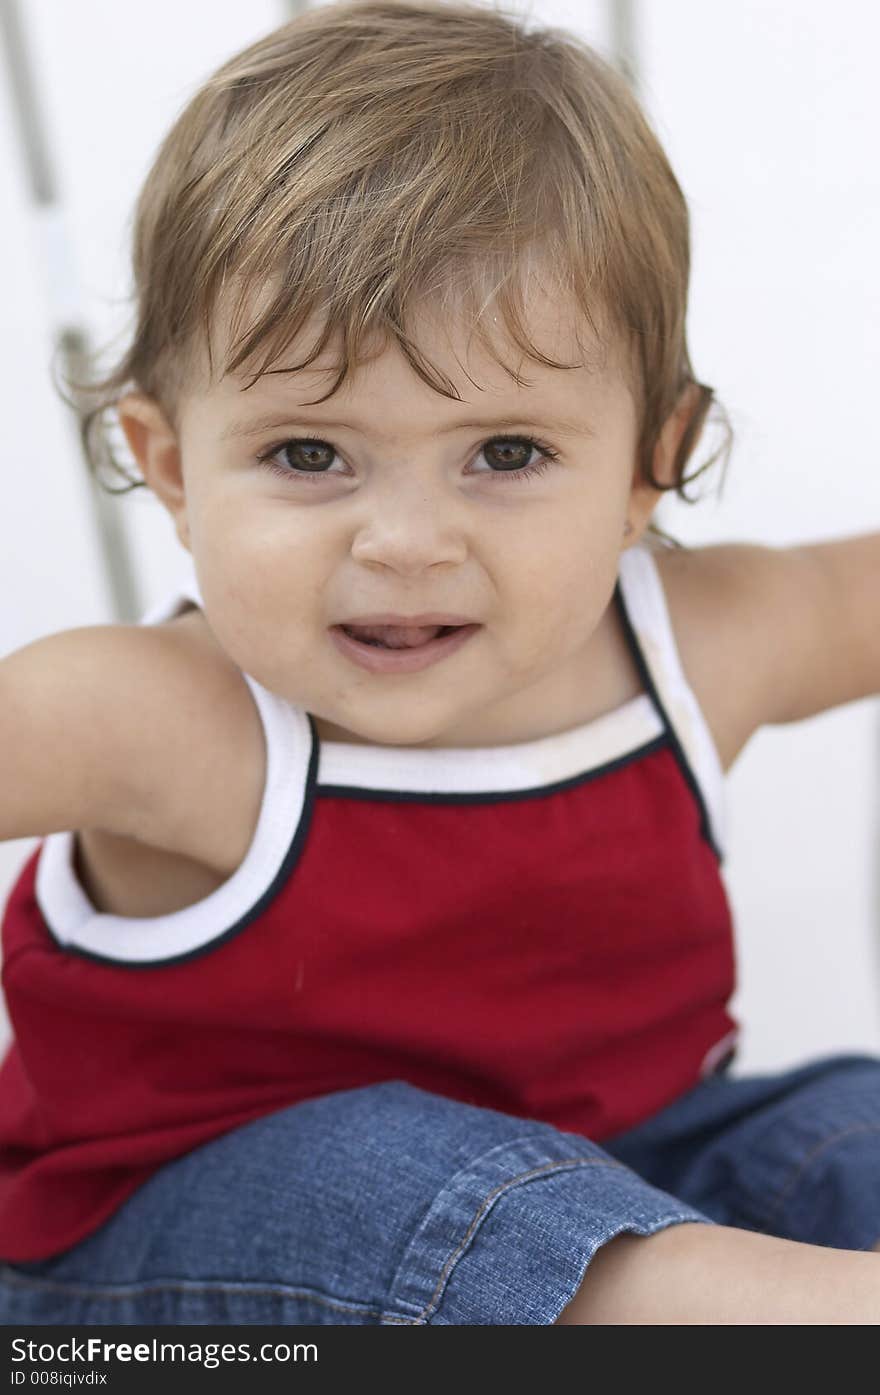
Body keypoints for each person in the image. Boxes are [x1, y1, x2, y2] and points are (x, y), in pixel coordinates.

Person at [0, 0, 878, 1326]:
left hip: (645, 1164)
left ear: (650, 462)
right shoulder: (158, 719)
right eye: (310, 455)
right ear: (171, 467)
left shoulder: (699, 642)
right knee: (398, 1171)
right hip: (200, 1256)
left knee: (843, 1127)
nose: (407, 543)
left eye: (507, 455)